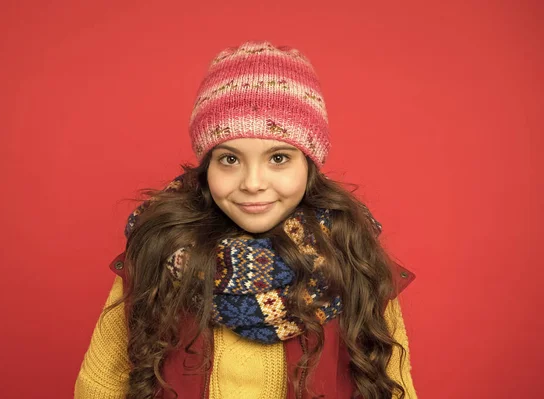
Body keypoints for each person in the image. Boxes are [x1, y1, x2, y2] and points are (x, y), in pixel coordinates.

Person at [74, 40, 418, 399]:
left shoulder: (353, 255)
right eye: (230, 159)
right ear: (207, 165)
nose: (253, 184)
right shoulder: (159, 250)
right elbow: (99, 386)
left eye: (279, 158)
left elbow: (396, 388)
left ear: (309, 163)